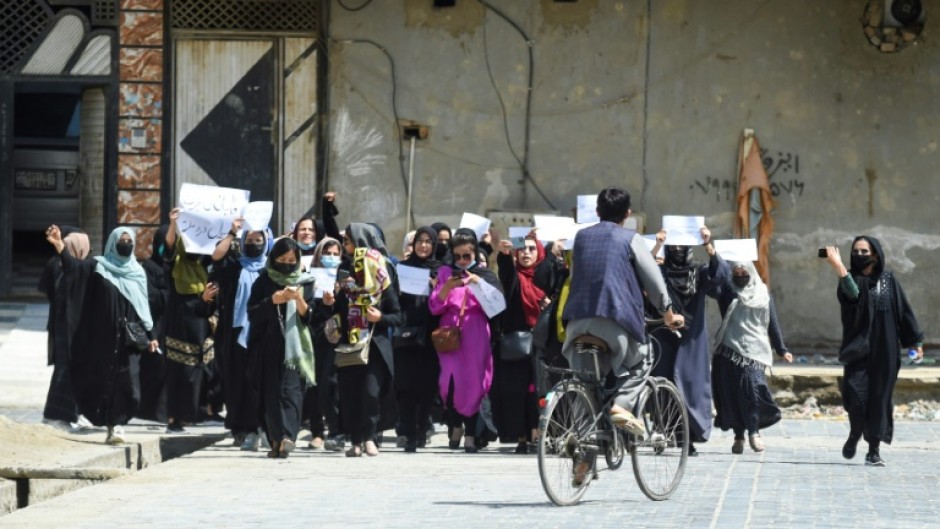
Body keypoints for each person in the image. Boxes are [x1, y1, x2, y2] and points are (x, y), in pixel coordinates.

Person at [561, 187, 683, 440]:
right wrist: (668, 314)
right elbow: (654, 281)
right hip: (614, 322)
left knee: (586, 385)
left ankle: (583, 452)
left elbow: (575, 277)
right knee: (644, 357)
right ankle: (622, 406)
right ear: (627, 214)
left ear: (597, 211)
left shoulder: (581, 238)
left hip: (576, 324)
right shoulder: (630, 238)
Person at [46, 225, 159, 444]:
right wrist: (60, 244)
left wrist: (151, 335)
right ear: (112, 243)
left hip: (129, 339)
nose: (125, 244)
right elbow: (74, 268)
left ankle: (118, 420)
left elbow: (143, 307)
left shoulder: (137, 272)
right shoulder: (97, 266)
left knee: (130, 385)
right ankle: (113, 425)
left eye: (129, 241)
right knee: (104, 382)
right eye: (121, 240)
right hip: (102, 338)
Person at [824, 237, 923, 467]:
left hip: (885, 352)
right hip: (857, 350)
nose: (859, 255)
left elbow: (904, 312)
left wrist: (915, 342)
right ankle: (855, 432)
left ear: (875, 254)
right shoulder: (850, 280)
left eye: (864, 251)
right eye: (855, 251)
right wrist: (838, 267)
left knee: (879, 400)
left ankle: (873, 450)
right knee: (855, 397)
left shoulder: (889, 281)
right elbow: (853, 296)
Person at [649, 226, 729, 455]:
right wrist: (656, 245)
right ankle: (663, 432)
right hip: (664, 335)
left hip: (692, 337)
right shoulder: (661, 272)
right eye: (671, 246)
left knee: (690, 387)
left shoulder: (699, 272)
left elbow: (721, 278)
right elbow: (639, 272)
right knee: (663, 384)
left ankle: (688, 438)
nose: (676, 250)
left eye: (680, 246)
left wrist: (708, 245)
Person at [429, 228, 503, 453]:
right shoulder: (445, 273)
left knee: (473, 383)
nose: (461, 261)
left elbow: (497, 305)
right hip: (449, 333)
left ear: (475, 254)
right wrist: (447, 287)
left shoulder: (484, 274)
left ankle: (470, 434)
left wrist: (477, 284)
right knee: (448, 385)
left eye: (467, 256)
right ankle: (455, 425)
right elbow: (433, 306)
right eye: (457, 256)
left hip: (475, 332)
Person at [333, 223, 402, 457]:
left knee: (371, 392)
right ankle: (355, 440)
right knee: (351, 393)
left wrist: (379, 316)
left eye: (348, 241)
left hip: (375, 344)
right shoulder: (343, 270)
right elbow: (336, 310)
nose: (345, 246)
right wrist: (333, 298)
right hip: (350, 343)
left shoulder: (382, 274)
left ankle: (370, 436)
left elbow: (397, 315)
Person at [204, 218, 272, 450]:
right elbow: (215, 257)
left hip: (263, 334)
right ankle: (241, 428)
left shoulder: (272, 270)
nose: (254, 244)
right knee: (236, 382)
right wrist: (233, 232)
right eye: (249, 240)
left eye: (258, 240)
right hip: (233, 334)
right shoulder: (233, 268)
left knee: (259, 382)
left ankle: (261, 426)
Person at [712, 261, 793, 454]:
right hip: (729, 350)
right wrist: (712, 253)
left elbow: (772, 322)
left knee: (753, 391)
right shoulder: (728, 292)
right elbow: (715, 278)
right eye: (736, 273)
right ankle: (739, 436)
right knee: (734, 395)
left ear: (752, 273)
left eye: (744, 272)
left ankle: (754, 433)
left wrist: (781, 349)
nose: (740, 276)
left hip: (754, 352)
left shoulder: (763, 294)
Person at [247, 237, 317, 458]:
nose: (287, 263)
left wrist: (298, 300)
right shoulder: (263, 281)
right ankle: (275, 439)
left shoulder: (305, 281)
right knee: (271, 393)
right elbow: (252, 313)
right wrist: (273, 301)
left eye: (291, 259)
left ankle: (288, 436)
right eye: (282, 259)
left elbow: (311, 317)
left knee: (292, 391)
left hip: (295, 347)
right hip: (268, 345)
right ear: (273, 258)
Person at [494, 233, 556, 453]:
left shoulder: (543, 276)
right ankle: (521, 436)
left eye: (531, 248)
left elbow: (555, 278)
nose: (527, 253)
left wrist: (550, 305)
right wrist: (504, 255)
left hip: (540, 344)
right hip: (517, 345)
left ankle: (537, 433)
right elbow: (506, 272)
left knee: (538, 391)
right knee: (516, 392)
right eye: (522, 249)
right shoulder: (515, 277)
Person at [163, 208, 214, 433]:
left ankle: (197, 412)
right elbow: (169, 248)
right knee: (179, 369)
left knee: (202, 368)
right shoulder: (177, 265)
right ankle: (175, 417)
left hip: (201, 323)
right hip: (180, 322)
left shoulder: (203, 269)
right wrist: (173, 223)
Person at [393, 226, 442, 453]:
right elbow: (393, 299)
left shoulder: (441, 270)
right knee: (405, 387)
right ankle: (408, 433)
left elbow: (446, 303)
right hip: (406, 334)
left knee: (427, 387)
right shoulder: (402, 268)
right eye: (419, 241)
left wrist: (437, 289)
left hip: (430, 337)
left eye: (427, 241)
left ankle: (422, 429)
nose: (423, 245)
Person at [39, 229, 91, 429]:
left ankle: (74, 413)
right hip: (67, 328)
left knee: (73, 371)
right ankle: (55, 416)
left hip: (66, 326)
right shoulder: (67, 269)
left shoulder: (63, 266)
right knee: (65, 371)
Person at [302, 236, 343, 451]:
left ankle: (336, 429)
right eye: (328, 254)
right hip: (315, 337)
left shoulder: (344, 278)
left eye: (336, 254)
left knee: (332, 383)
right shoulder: (310, 278)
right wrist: (324, 305)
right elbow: (309, 313)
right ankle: (317, 430)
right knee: (314, 383)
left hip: (338, 339)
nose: (332, 258)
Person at [137, 225, 171, 424]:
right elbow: (150, 296)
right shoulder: (149, 267)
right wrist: (172, 296)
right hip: (155, 324)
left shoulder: (177, 266)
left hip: (173, 324)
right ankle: (149, 410)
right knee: (155, 367)